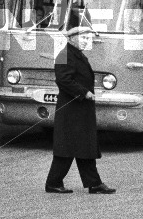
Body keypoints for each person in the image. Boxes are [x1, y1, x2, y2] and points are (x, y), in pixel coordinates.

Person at [45, 22, 115, 195]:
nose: (86, 41)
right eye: (83, 38)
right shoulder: (64, 54)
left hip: (80, 109)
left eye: (88, 38)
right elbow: (63, 80)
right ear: (72, 39)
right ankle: (54, 183)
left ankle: (93, 183)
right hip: (72, 109)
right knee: (69, 146)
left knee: (84, 146)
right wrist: (84, 93)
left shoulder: (76, 54)